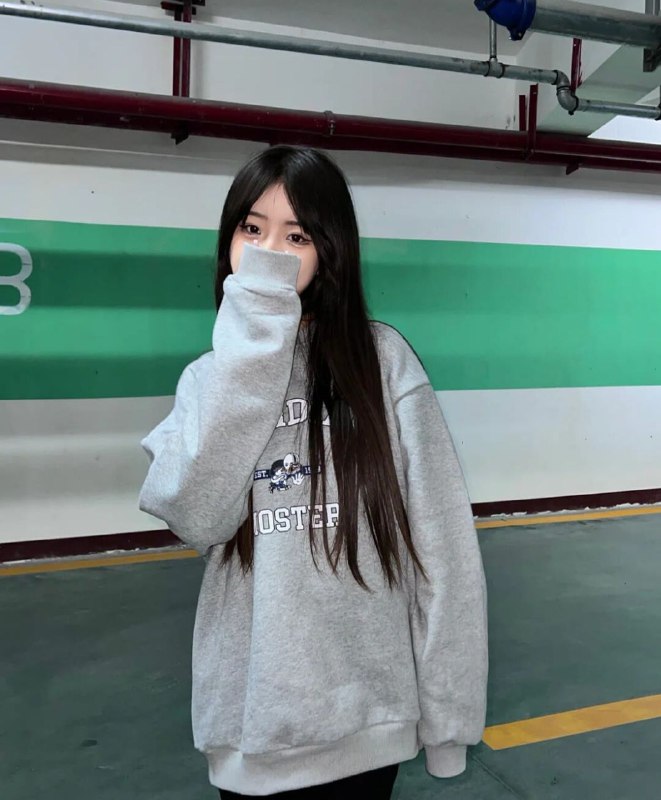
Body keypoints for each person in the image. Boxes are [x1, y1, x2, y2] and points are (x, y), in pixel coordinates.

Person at [138, 145, 488, 799]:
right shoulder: (207, 381)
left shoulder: (382, 361)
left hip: (367, 726)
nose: (269, 252)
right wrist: (252, 350)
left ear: (330, 251)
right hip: (252, 732)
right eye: (252, 229)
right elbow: (196, 517)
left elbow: (442, 554)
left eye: (296, 236)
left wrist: (448, 723)